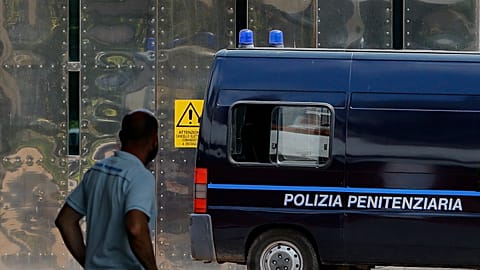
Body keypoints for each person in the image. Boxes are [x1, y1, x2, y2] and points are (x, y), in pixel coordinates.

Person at [55, 109, 159, 270]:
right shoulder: (139, 176)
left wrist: (89, 262)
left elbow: (65, 221)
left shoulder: (97, 171)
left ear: (122, 137)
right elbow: (136, 227)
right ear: (154, 139)